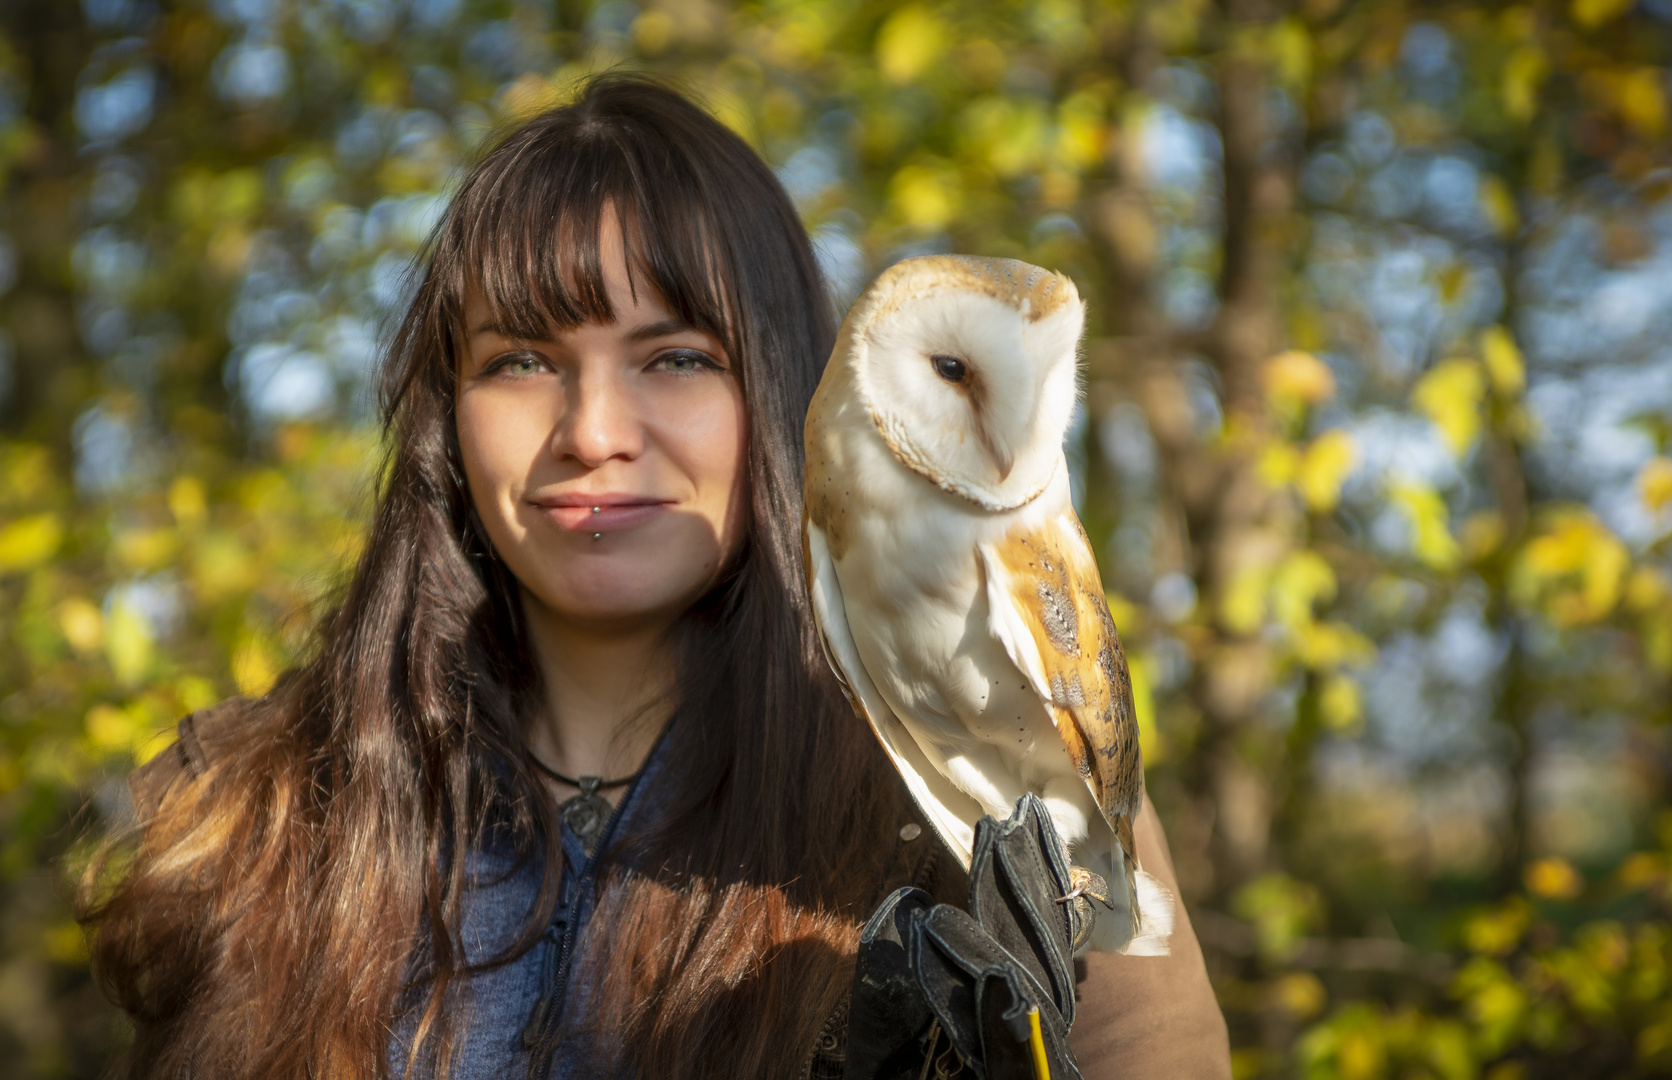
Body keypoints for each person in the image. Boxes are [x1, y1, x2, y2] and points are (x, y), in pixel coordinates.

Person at [80, 74, 1230, 1080]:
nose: (591, 431)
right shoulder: (248, 813)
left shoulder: (995, 794)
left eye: (676, 358)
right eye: (520, 360)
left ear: (788, 396)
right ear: (448, 415)